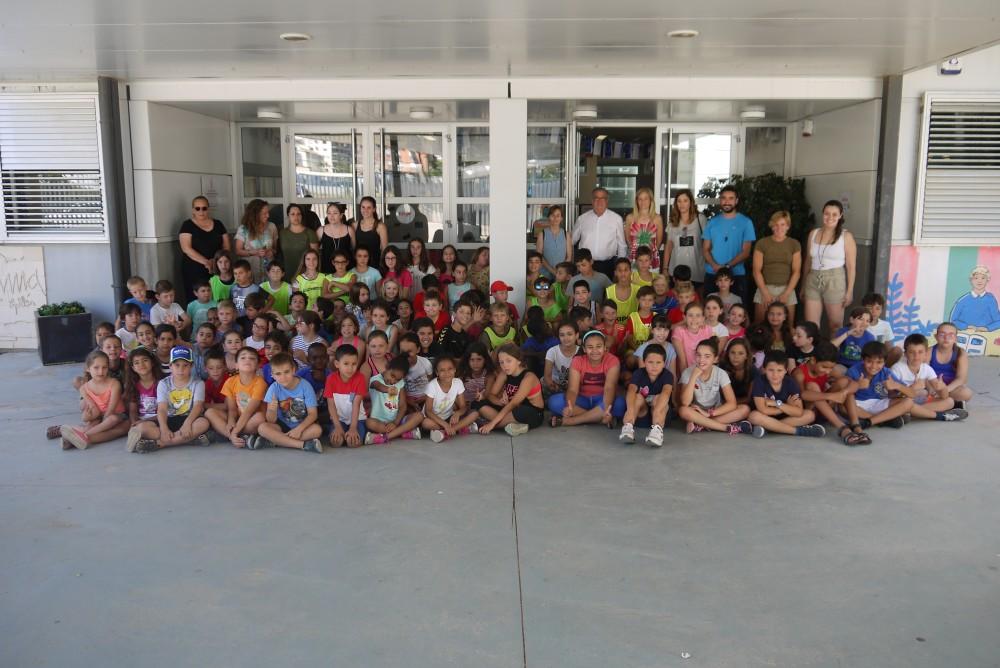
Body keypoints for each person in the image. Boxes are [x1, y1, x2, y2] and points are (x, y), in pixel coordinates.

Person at [128, 347, 212, 453]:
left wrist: (187, 424)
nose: (181, 369)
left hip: (189, 419)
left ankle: (159, 443)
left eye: (185, 365)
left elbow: (198, 407)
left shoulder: (198, 383)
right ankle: (188, 439)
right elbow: (162, 409)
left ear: (191, 366)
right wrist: (164, 428)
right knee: (142, 428)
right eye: (177, 365)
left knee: (203, 423)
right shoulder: (163, 383)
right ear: (170, 366)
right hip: (168, 419)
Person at [792, 340, 870, 446]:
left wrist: (843, 392)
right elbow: (803, 396)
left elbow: (853, 384)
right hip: (810, 413)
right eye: (824, 367)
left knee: (845, 383)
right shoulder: (799, 373)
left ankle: (857, 427)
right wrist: (832, 396)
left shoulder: (829, 369)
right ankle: (843, 429)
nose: (828, 371)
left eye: (831, 368)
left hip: (826, 409)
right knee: (812, 386)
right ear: (813, 360)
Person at [801, 200, 858, 337]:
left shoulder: (846, 236)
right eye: (827, 214)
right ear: (823, 214)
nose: (830, 217)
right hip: (813, 279)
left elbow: (851, 266)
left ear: (840, 216)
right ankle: (813, 357)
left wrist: (849, 291)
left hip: (835, 280)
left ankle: (833, 355)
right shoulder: (813, 233)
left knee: (835, 325)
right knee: (811, 326)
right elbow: (808, 261)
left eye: (834, 214)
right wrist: (803, 285)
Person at [547, 329, 626, 428]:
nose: (595, 351)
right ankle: (599, 418)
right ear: (584, 349)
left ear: (605, 347)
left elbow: (609, 388)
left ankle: (571, 421)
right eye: (590, 347)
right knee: (554, 402)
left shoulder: (612, 360)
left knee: (620, 404)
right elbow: (572, 389)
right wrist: (570, 406)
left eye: (599, 346)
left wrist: (606, 408)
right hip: (582, 400)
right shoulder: (577, 361)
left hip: (602, 399)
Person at [677, 337, 754, 435]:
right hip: (696, 412)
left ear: (715, 358)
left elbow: (732, 403)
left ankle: (701, 425)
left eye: (707, 356)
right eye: (698, 355)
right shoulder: (688, 372)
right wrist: (693, 377)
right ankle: (725, 427)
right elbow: (685, 402)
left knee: (745, 409)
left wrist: (709, 413)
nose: (701, 360)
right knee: (683, 410)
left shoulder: (721, 373)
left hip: (715, 411)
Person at [252, 352, 324, 452]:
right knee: (262, 428)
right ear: (272, 375)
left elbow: (313, 414)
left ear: (294, 370)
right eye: (278, 374)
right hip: (282, 426)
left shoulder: (305, 386)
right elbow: (271, 421)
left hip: (302, 426)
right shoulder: (273, 389)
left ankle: (276, 441)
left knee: (317, 430)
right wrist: (272, 410)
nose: (283, 377)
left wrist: (299, 429)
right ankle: (303, 445)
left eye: (286, 372)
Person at [59, 350, 130, 450]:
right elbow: (93, 408)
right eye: (96, 368)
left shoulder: (114, 383)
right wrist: (86, 417)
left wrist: (103, 421)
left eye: (104, 367)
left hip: (116, 415)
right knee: (91, 423)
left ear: (108, 367)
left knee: (111, 419)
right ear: (88, 368)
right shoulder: (84, 388)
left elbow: (111, 408)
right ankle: (76, 437)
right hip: (99, 416)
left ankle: (81, 435)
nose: (101, 372)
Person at [748, 350, 826, 439]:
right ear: (764, 369)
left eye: (779, 370)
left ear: (786, 370)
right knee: (754, 416)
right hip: (766, 416)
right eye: (770, 370)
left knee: (810, 415)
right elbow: (763, 410)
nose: (775, 374)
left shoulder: (790, 383)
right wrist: (787, 407)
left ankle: (769, 427)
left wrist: (776, 403)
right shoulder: (759, 381)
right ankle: (798, 431)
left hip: (785, 418)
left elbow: (798, 412)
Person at [891, 334, 968, 422]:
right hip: (901, 402)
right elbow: (890, 396)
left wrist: (942, 388)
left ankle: (907, 413)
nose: (916, 356)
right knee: (922, 393)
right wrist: (912, 389)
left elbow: (944, 396)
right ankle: (911, 412)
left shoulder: (926, 368)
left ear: (926, 354)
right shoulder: (897, 369)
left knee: (949, 401)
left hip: (916, 402)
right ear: (905, 354)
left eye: (920, 352)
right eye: (912, 352)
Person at [476, 344, 546, 436]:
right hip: (510, 410)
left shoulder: (529, 377)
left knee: (521, 410)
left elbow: (513, 404)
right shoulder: (504, 373)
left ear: (518, 361)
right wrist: (499, 402)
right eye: (501, 362)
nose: (505, 366)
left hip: (531, 413)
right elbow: (491, 394)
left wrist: (491, 424)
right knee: (479, 403)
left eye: (509, 361)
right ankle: (512, 425)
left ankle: (488, 426)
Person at [842, 341, 913, 430]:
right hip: (858, 404)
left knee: (908, 402)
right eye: (869, 361)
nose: (873, 366)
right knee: (842, 407)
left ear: (884, 362)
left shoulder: (886, 372)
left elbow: (912, 394)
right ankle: (884, 420)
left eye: (879, 362)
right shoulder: (853, 371)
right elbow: (844, 392)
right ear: (863, 360)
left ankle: (869, 422)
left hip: (879, 403)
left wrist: (897, 385)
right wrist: (857, 385)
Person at [205, 347, 267, 448]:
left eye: (252, 358)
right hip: (238, 417)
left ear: (258, 365)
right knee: (209, 412)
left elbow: (248, 412)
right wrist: (231, 421)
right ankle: (236, 437)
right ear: (236, 365)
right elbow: (232, 409)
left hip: (251, 419)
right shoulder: (230, 381)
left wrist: (235, 430)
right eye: (243, 358)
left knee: (260, 418)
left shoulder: (260, 383)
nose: (247, 360)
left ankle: (232, 435)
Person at [619, 343, 674, 447]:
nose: (654, 366)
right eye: (650, 362)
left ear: (664, 363)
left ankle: (657, 432)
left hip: (660, 416)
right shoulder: (639, 373)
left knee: (659, 398)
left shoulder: (667, 375)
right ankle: (628, 427)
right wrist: (630, 411)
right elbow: (631, 391)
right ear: (644, 362)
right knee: (638, 397)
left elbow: (666, 393)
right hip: (641, 416)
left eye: (658, 362)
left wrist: (657, 412)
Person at [751, 210, 802, 324]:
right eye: (776, 224)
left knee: (788, 326)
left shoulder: (794, 244)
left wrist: (786, 293)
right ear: (771, 226)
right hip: (765, 287)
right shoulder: (762, 243)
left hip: (787, 289)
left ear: (788, 226)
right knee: (759, 326)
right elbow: (756, 270)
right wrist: (765, 292)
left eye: (783, 224)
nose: (779, 228)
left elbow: (796, 271)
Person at [179, 195, 230, 301]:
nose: (201, 211)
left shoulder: (218, 224)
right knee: (196, 299)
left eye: (204, 208)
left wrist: (216, 262)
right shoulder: (187, 225)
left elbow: (226, 247)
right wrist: (206, 262)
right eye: (197, 208)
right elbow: (186, 248)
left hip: (217, 268)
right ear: (193, 210)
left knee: (216, 297)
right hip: (194, 269)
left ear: (208, 209)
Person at [365, 356, 424, 444]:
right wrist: (387, 389)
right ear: (387, 367)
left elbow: (403, 406)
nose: (393, 381)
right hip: (379, 422)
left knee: (419, 416)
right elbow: (378, 386)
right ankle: (402, 433)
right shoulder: (375, 379)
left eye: (397, 379)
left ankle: (386, 436)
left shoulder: (400, 384)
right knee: (369, 423)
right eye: (392, 376)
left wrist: (395, 423)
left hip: (397, 421)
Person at [571, 187, 627, 279]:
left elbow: (622, 245)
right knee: (585, 292)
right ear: (592, 200)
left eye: (603, 198)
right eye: (596, 198)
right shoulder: (582, 219)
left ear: (607, 200)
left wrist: (620, 267)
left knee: (606, 292)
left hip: (607, 265)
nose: (599, 201)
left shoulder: (616, 219)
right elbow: (571, 241)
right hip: (585, 265)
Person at [422, 355, 480, 442]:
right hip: (434, 419)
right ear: (437, 373)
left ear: (455, 370)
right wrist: (444, 424)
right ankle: (457, 429)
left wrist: (457, 413)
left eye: (450, 369)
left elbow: (463, 406)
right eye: (442, 370)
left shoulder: (458, 383)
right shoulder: (432, 386)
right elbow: (428, 411)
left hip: (449, 417)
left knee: (475, 414)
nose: (447, 373)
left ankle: (445, 431)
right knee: (426, 423)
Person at [323, 344, 368, 448]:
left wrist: (353, 428)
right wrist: (337, 427)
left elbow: (356, 405)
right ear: (337, 364)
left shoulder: (360, 378)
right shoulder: (331, 379)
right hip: (339, 419)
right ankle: (332, 428)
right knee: (336, 443)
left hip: (357, 419)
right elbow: (331, 405)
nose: (350, 368)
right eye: (346, 364)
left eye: (354, 364)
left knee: (353, 443)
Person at [663, 189, 706, 286]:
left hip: (696, 270)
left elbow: (707, 244)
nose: (682, 204)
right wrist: (665, 269)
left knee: (696, 299)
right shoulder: (672, 222)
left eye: (685, 200)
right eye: (679, 201)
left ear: (691, 202)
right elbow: (668, 246)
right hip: (676, 270)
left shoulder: (701, 219)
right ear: (676, 203)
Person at [929, 322, 973, 409]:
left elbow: (961, 379)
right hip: (932, 388)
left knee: (966, 393)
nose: (946, 338)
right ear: (936, 336)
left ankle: (940, 402)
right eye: (942, 334)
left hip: (951, 388)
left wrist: (945, 390)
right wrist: (931, 389)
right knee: (920, 392)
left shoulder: (961, 353)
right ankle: (950, 404)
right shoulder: (929, 351)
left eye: (951, 335)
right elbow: (923, 374)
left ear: (956, 338)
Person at [235, 199, 278, 281]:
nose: (268, 215)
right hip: (250, 272)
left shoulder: (272, 227)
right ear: (255, 214)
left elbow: (275, 249)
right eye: (264, 213)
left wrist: (271, 252)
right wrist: (254, 252)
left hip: (268, 272)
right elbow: (238, 251)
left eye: (268, 212)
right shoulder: (243, 229)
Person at [624, 187, 663, 272]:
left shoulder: (657, 218)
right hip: (634, 259)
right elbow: (627, 239)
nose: (643, 202)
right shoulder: (630, 218)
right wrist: (634, 253)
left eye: (646, 198)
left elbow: (659, 242)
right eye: (640, 199)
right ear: (636, 201)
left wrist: (650, 255)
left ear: (651, 201)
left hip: (651, 260)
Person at [950, 265, 1000, 331]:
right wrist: (966, 326)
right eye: (976, 278)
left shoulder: (991, 299)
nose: (979, 281)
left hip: (986, 335)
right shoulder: (963, 300)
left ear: (987, 280)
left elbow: (998, 321)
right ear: (971, 280)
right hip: (966, 334)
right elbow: (953, 320)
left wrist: (987, 328)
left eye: (983, 278)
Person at [278, 203, 319, 283]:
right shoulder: (282, 233)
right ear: (288, 216)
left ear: (302, 216)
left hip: (305, 275)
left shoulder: (310, 233)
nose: (296, 217)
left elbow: (315, 257)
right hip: (286, 274)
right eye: (292, 214)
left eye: (298, 214)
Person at [316, 202, 354, 274]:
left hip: (346, 270)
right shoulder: (321, 230)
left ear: (341, 215)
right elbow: (315, 251)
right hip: (326, 269)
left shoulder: (349, 230)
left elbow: (353, 248)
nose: (331, 216)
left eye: (335, 213)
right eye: (329, 213)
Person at [536, 204, 571, 278]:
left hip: (561, 275)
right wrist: (552, 271)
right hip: (544, 274)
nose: (555, 218)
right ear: (549, 217)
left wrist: (560, 272)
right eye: (552, 215)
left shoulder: (566, 234)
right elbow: (539, 256)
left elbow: (569, 257)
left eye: (558, 215)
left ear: (561, 218)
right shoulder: (542, 234)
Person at [355, 196, 388, 266]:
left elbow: (384, 249)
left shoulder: (380, 226)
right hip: (359, 266)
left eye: (369, 208)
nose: (365, 210)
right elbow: (353, 247)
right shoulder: (354, 225)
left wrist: (381, 266)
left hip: (375, 265)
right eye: (363, 207)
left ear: (374, 209)